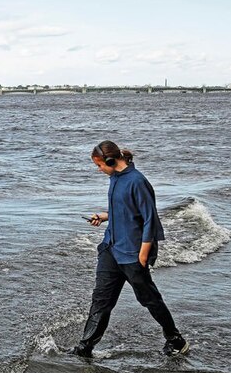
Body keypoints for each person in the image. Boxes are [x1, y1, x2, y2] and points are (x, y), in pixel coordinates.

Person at [70, 141, 189, 358]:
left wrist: (143, 255)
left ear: (110, 160)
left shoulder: (137, 181)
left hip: (133, 253)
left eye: (99, 166)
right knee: (101, 299)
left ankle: (175, 339)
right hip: (110, 249)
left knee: (149, 299)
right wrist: (104, 216)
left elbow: (149, 220)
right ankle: (84, 348)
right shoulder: (115, 178)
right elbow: (124, 208)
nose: (99, 170)